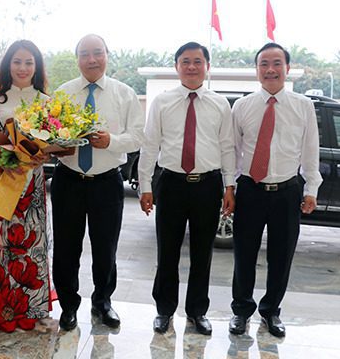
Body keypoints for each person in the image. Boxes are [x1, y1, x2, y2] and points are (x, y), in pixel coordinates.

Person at [138, 42, 235, 335]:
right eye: (185, 61)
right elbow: (150, 145)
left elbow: (227, 147)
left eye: (197, 61)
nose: (191, 66)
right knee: (167, 251)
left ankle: (197, 311)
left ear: (207, 66)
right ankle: (164, 310)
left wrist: (229, 186)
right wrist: (145, 186)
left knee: (202, 253)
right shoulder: (162, 102)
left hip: (207, 185)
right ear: (177, 66)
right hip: (171, 184)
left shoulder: (220, 104)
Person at [51, 34, 144, 331]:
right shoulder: (63, 94)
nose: (91, 59)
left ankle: (102, 302)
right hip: (68, 181)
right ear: (77, 59)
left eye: (97, 53)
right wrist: (59, 145)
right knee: (66, 248)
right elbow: (49, 134)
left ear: (107, 55)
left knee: (106, 248)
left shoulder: (124, 94)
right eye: (85, 54)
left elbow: (137, 137)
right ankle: (68, 305)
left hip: (106, 183)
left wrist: (111, 141)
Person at [228, 42, 322, 338]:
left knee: (281, 256)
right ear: (256, 70)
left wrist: (311, 188)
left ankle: (271, 311)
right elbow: (232, 151)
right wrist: (229, 186)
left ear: (287, 68)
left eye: (277, 63)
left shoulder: (303, 106)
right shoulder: (242, 106)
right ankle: (241, 310)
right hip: (250, 189)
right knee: (244, 254)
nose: (270, 69)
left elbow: (311, 150)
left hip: (286, 190)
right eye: (264, 64)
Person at [0, 40, 52, 332]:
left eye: (28, 62)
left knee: (30, 247)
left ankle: (30, 310)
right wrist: (2, 159)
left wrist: (44, 154)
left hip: (31, 186)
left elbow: (53, 143)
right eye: (17, 61)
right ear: (8, 64)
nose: (22, 68)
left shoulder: (47, 101)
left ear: (37, 66)